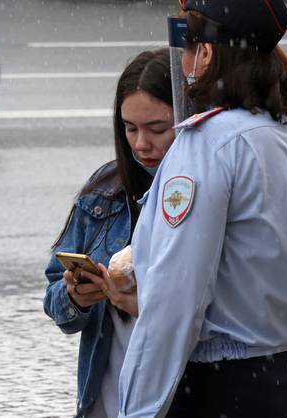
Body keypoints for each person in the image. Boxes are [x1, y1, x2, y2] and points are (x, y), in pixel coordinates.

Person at [118, 1, 287, 417]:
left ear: (206, 54)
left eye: (187, 42)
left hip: (230, 388)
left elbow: (175, 300)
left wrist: (137, 410)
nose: (182, 59)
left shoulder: (206, 145)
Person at [44, 49, 175, 418]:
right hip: (106, 399)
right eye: (130, 128)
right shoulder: (104, 191)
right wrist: (77, 296)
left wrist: (141, 299)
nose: (141, 144)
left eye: (157, 129)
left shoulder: (200, 193)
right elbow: (55, 299)